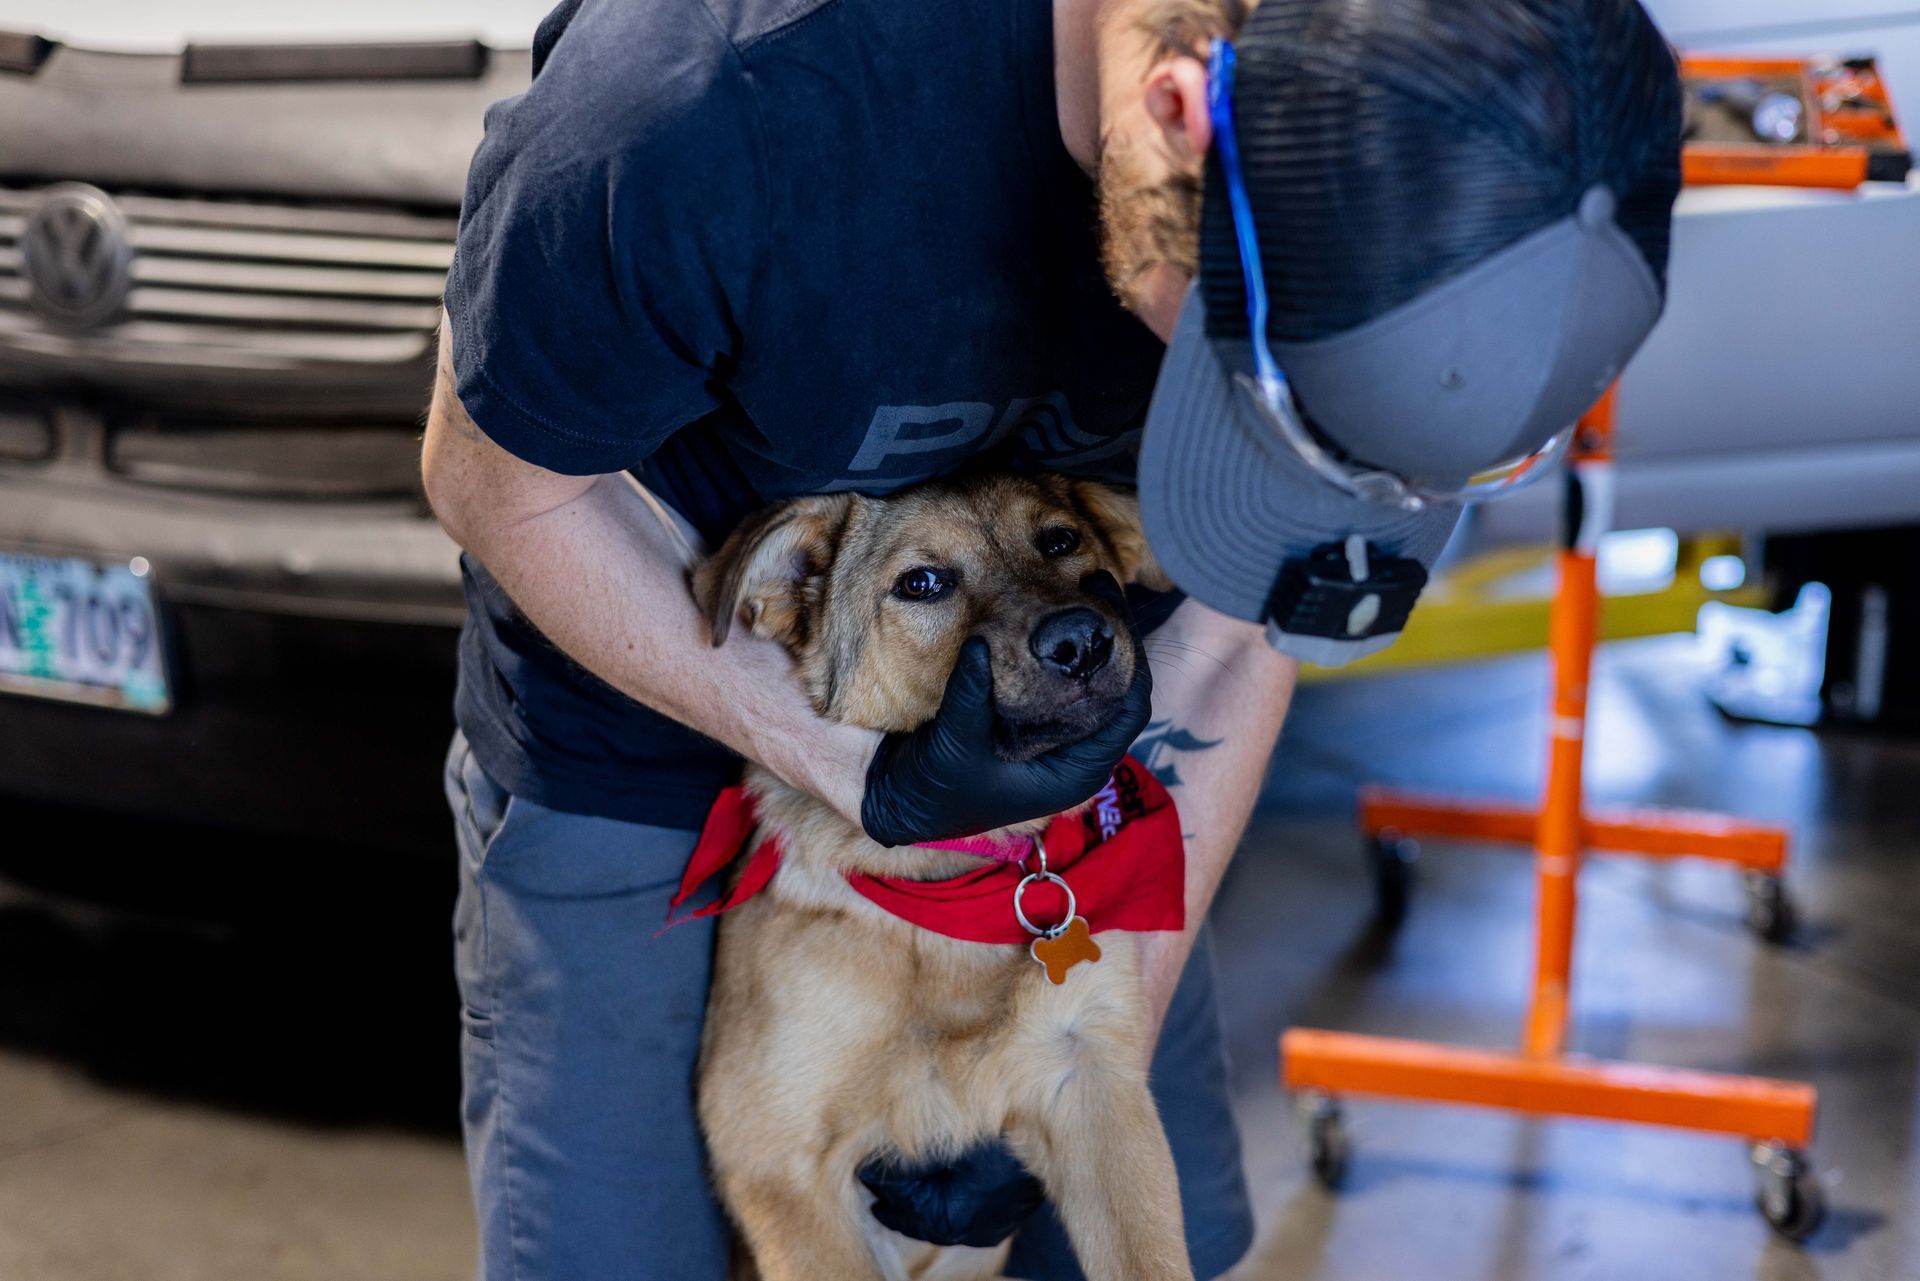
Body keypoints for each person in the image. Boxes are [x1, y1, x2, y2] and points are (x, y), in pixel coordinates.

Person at [420, 0, 1682, 1276]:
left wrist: (1093, 1034)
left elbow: (1238, 642)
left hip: (1086, 767)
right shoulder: (701, 105)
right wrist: (856, 768)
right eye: (1237, 391)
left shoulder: (1476, 134)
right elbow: (498, 485)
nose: (1240, 430)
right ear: (1183, 115)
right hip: (641, 683)